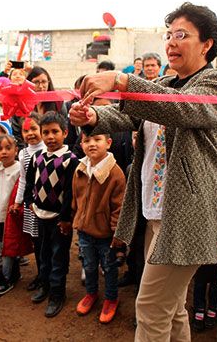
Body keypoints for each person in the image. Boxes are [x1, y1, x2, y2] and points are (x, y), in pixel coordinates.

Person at [70, 2, 217, 341]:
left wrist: (121, 79)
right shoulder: (164, 82)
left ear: (207, 44)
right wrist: (93, 119)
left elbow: (180, 110)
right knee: (170, 307)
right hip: (158, 210)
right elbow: (128, 116)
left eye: (182, 35)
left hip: (187, 215)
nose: (172, 42)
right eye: (169, 34)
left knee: (150, 308)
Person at [23, 111, 79, 318]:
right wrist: (29, 201)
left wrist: (65, 219)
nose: (50, 137)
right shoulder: (37, 157)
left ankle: (57, 293)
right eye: (45, 132)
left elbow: (72, 193)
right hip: (39, 215)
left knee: (58, 256)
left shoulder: (70, 160)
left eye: (55, 132)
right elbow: (30, 182)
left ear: (65, 133)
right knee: (42, 253)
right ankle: (44, 285)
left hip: (58, 220)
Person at [72, 132, 126, 324]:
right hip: (85, 231)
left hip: (106, 234)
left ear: (108, 143)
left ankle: (111, 299)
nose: (92, 144)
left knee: (109, 267)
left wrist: (116, 233)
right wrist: (75, 217)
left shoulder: (115, 173)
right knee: (88, 265)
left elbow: (119, 207)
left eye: (97, 139)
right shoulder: (80, 168)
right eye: (87, 140)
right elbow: (76, 197)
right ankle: (91, 294)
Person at [0, 135, 32, 296]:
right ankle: (10, 274)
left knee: (10, 248)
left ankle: (6, 279)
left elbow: (23, 191)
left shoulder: (19, 170)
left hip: (12, 217)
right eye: (0, 149)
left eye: (8, 148)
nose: (4, 152)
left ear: (16, 150)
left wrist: (18, 208)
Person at [12, 113, 46, 291]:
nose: (30, 133)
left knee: (46, 243)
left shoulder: (48, 149)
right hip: (30, 205)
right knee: (36, 242)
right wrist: (18, 202)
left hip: (47, 205)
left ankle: (48, 277)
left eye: (33, 128)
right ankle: (41, 275)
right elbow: (23, 180)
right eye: (26, 130)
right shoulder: (23, 153)